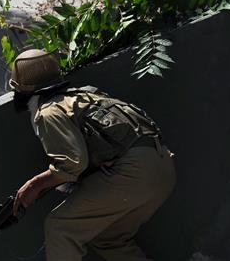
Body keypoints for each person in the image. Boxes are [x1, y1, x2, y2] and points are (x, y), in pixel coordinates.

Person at [10, 49, 176, 261]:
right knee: (109, 238)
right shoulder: (86, 94)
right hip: (162, 165)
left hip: (133, 173)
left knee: (60, 227)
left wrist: (35, 185)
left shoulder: (49, 111)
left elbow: (73, 163)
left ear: (22, 91)